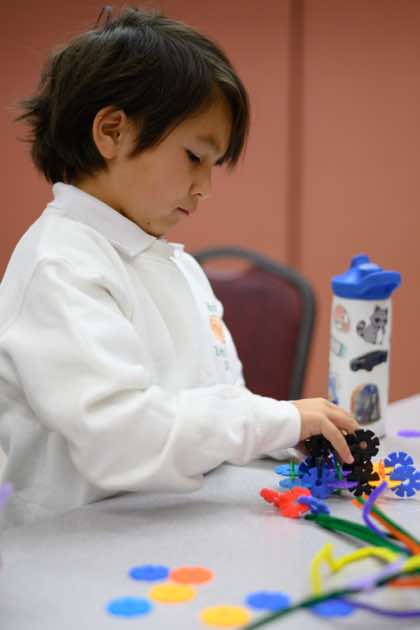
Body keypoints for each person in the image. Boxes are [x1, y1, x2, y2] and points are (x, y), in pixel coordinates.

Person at [0, 7, 358, 529]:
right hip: (79, 543)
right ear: (112, 132)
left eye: (214, 166)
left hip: (175, 525)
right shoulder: (60, 265)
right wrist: (275, 419)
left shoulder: (177, 266)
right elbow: (120, 440)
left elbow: (218, 406)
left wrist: (292, 433)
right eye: (194, 156)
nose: (205, 188)